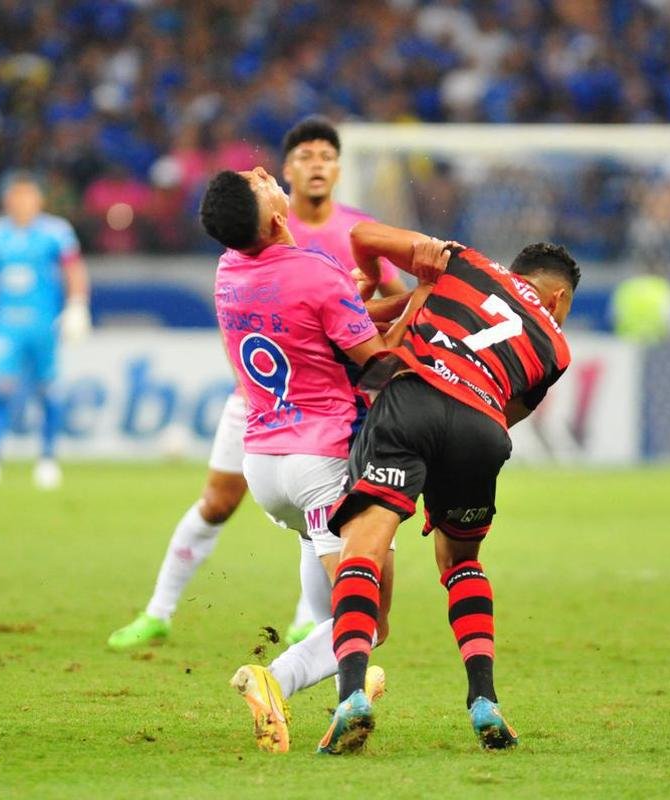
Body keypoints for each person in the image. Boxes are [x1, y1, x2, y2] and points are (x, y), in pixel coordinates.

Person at [107, 117, 405, 652]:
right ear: (287, 174)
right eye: (304, 156)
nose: (316, 164)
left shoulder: (351, 230)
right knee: (233, 504)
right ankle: (162, 613)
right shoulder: (293, 249)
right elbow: (370, 347)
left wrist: (362, 306)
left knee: (311, 523)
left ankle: (312, 634)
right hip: (279, 401)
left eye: (326, 155)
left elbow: (363, 307)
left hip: (299, 404)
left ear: (339, 168)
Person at [201, 167, 442, 753]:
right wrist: (428, 297)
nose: (266, 171)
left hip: (265, 464)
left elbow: (312, 329)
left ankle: (341, 692)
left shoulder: (230, 268)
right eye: (260, 181)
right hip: (322, 464)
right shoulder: (313, 271)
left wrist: (367, 303)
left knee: (335, 601)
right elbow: (377, 366)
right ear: (278, 216)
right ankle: (273, 679)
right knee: (370, 619)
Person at [317, 222, 579, 754]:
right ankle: (484, 700)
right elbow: (508, 414)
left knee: (362, 551)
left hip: (412, 399)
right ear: (559, 297)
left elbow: (364, 234)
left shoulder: (467, 263)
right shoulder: (557, 348)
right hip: (480, 428)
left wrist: (370, 280)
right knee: (460, 563)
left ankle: (351, 698)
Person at [0, 171, 91, 490]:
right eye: (15, 196)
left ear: (39, 200)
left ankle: (47, 459)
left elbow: (73, 269)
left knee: (47, 390)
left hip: (44, 324)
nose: (21, 202)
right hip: (7, 325)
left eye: (27, 195)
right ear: (7, 200)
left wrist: (77, 304)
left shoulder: (56, 232)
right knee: (0, 388)